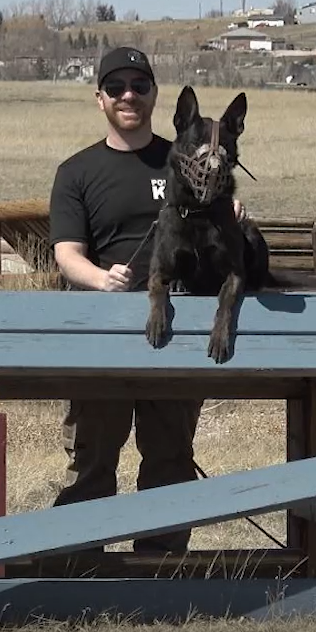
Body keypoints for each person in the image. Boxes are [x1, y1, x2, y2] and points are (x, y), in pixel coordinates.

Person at [46, 46, 237, 553]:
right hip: (105, 333)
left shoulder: (185, 158)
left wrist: (227, 207)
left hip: (177, 334)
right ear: (99, 99)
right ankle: (77, 566)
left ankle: (161, 570)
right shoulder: (77, 171)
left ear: (155, 95)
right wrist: (97, 278)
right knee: (93, 459)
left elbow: (223, 212)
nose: (128, 95)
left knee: (171, 459)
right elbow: (66, 253)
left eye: (139, 86)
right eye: (116, 87)